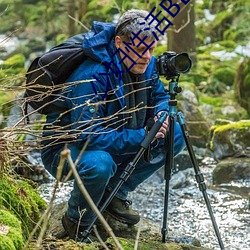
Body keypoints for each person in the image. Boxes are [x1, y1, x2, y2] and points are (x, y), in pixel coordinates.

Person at [41, 9, 185, 241]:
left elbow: (159, 96)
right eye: (140, 49)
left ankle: (115, 193)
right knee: (100, 164)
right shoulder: (91, 75)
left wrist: (161, 114)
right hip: (67, 150)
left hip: (117, 136)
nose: (148, 56)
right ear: (119, 43)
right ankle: (76, 221)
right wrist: (142, 135)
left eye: (152, 49)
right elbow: (87, 136)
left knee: (175, 132)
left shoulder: (144, 63)